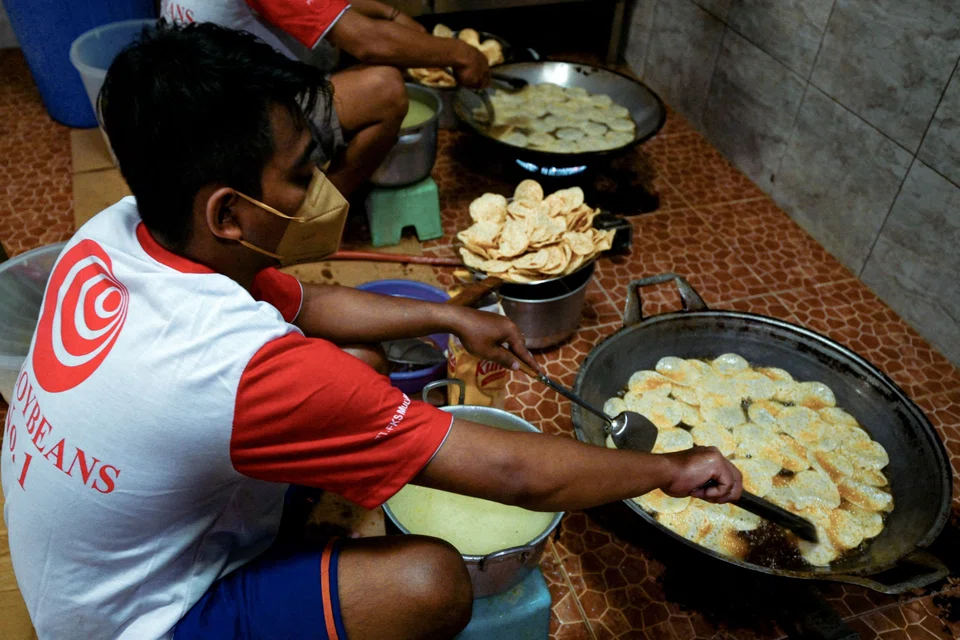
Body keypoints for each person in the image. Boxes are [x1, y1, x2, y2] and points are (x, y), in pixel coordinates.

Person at [0, 23, 741, 640]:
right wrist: (672, 468)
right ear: (227, 214)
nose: (315, 191)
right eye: (296, 175)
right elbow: (515, 474)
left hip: (80, 573)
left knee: (357, 358)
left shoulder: (115, 233)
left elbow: (309, 307)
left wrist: (448, 313)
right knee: (429, 582)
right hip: (131, 622)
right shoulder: (243, 369)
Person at [160, 0, 491, 196]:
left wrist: (386, 12)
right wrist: (462, 54)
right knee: (384, 88)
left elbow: (322, 6)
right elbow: (368, 42)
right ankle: (309, 221)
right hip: (226, 137)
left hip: (189, 112)